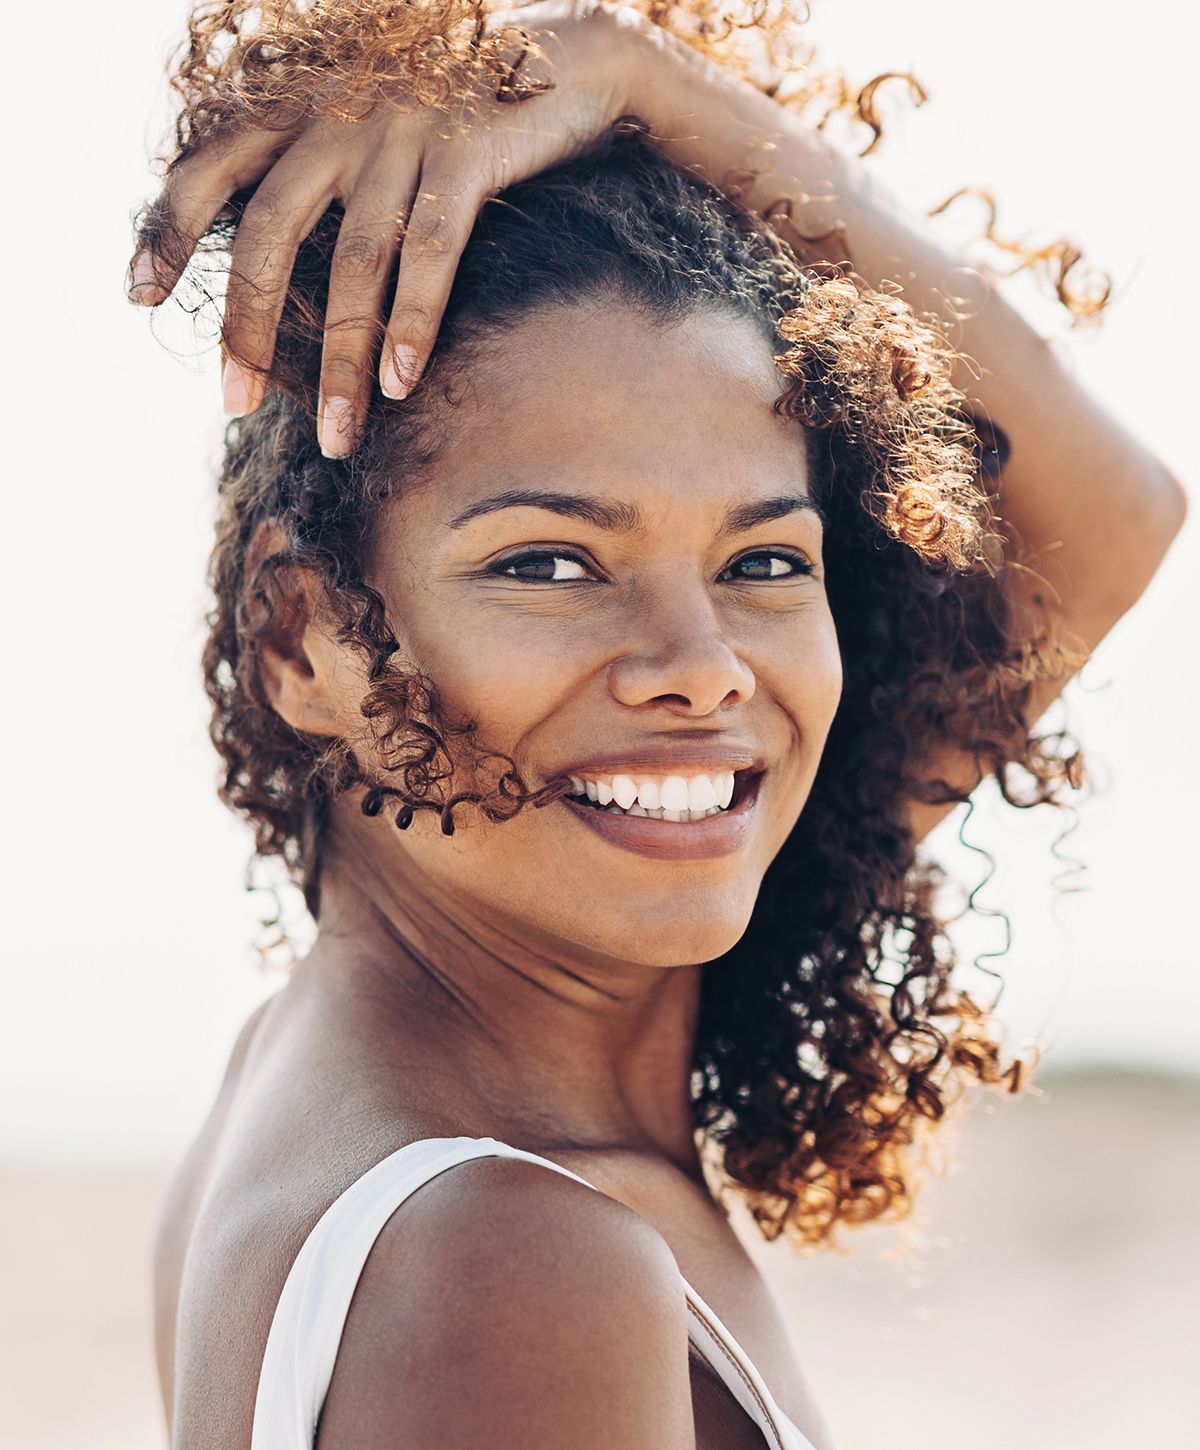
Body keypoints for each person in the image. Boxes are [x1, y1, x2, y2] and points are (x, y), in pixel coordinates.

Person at [126, 3, 1187, 1447]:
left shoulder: (331, 1067)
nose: (700, 672)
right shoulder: (513, 1260)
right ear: (298, 633)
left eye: (763, 561)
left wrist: (641, 82)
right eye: (551, 565)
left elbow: (1113, 520)